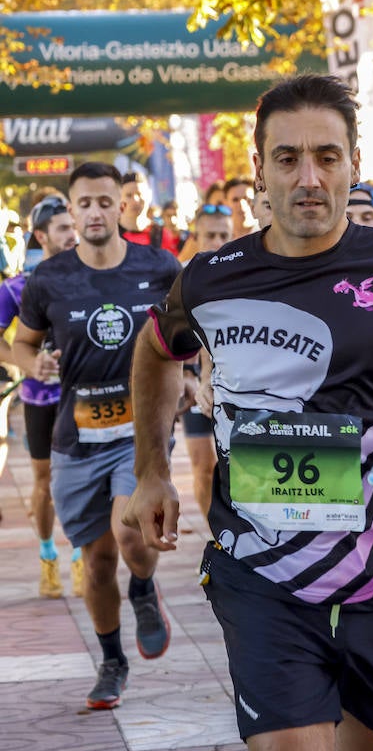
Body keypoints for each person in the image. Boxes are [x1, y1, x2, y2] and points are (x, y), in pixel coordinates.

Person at [123, 73, 373, 751]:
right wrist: (151, 470)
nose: (309, 178)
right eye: (288, 158)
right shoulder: (210, 279)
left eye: (327, 157)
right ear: (259, 167)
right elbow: (154, 350)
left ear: (353, 163)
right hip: (260, 576)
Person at [12, 161, 182, 709]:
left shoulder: (159, 266)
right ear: (71, 209)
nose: (94, 212)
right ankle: (112, 661)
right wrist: (32, 365)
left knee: (131, 536)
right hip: (77, 438)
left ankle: (144, 587)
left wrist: (195, 378)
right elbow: (22, 343)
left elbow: (191, 333)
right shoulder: (49, 278)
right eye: (83, 203)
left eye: (105, 202)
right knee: (98, 562)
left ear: (121, 206)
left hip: (140, 434)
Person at [0, 195, 79, 597]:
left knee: (86, 479)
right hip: (39, 399)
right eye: (63, 228)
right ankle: (48, 557)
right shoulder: (18, 287)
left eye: (73, 226)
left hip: (84, 396)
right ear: (41, 236)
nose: (73, 234)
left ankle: (83, 557)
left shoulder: (93, 278)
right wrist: (29, 363)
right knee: (44, 481)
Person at [179, 204, 236, 519]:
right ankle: (214, 533)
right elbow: (163, 339)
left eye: (224, 235)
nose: (217, 242)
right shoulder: (181, 277)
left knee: (237, 467)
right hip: (196, 381)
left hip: (235, 383)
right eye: (210, 235)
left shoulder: (247, 276)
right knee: (203, 465)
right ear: (196, 238)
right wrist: (189, 376)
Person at [119, 171, 181, 254]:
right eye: (129, 195)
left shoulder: (162, 235)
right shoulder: (110, 235)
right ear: (119, 199)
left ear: (149, 195)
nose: (135, 200)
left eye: (139, 194)